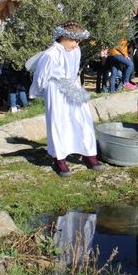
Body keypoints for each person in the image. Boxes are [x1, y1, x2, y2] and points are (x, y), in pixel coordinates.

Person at [29, 20, 103, 177]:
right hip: (56, 91)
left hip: (72, 87)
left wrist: (75, 86)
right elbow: (42, 77)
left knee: (82, 120)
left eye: (78, 41)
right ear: (63, 36)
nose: (76, 44)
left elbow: (74, 70)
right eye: (74, 40)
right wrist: (41, 92)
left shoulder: (76, 51)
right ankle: (60, 159)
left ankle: (89, 154)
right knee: (59, 123)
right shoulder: (51, 54)